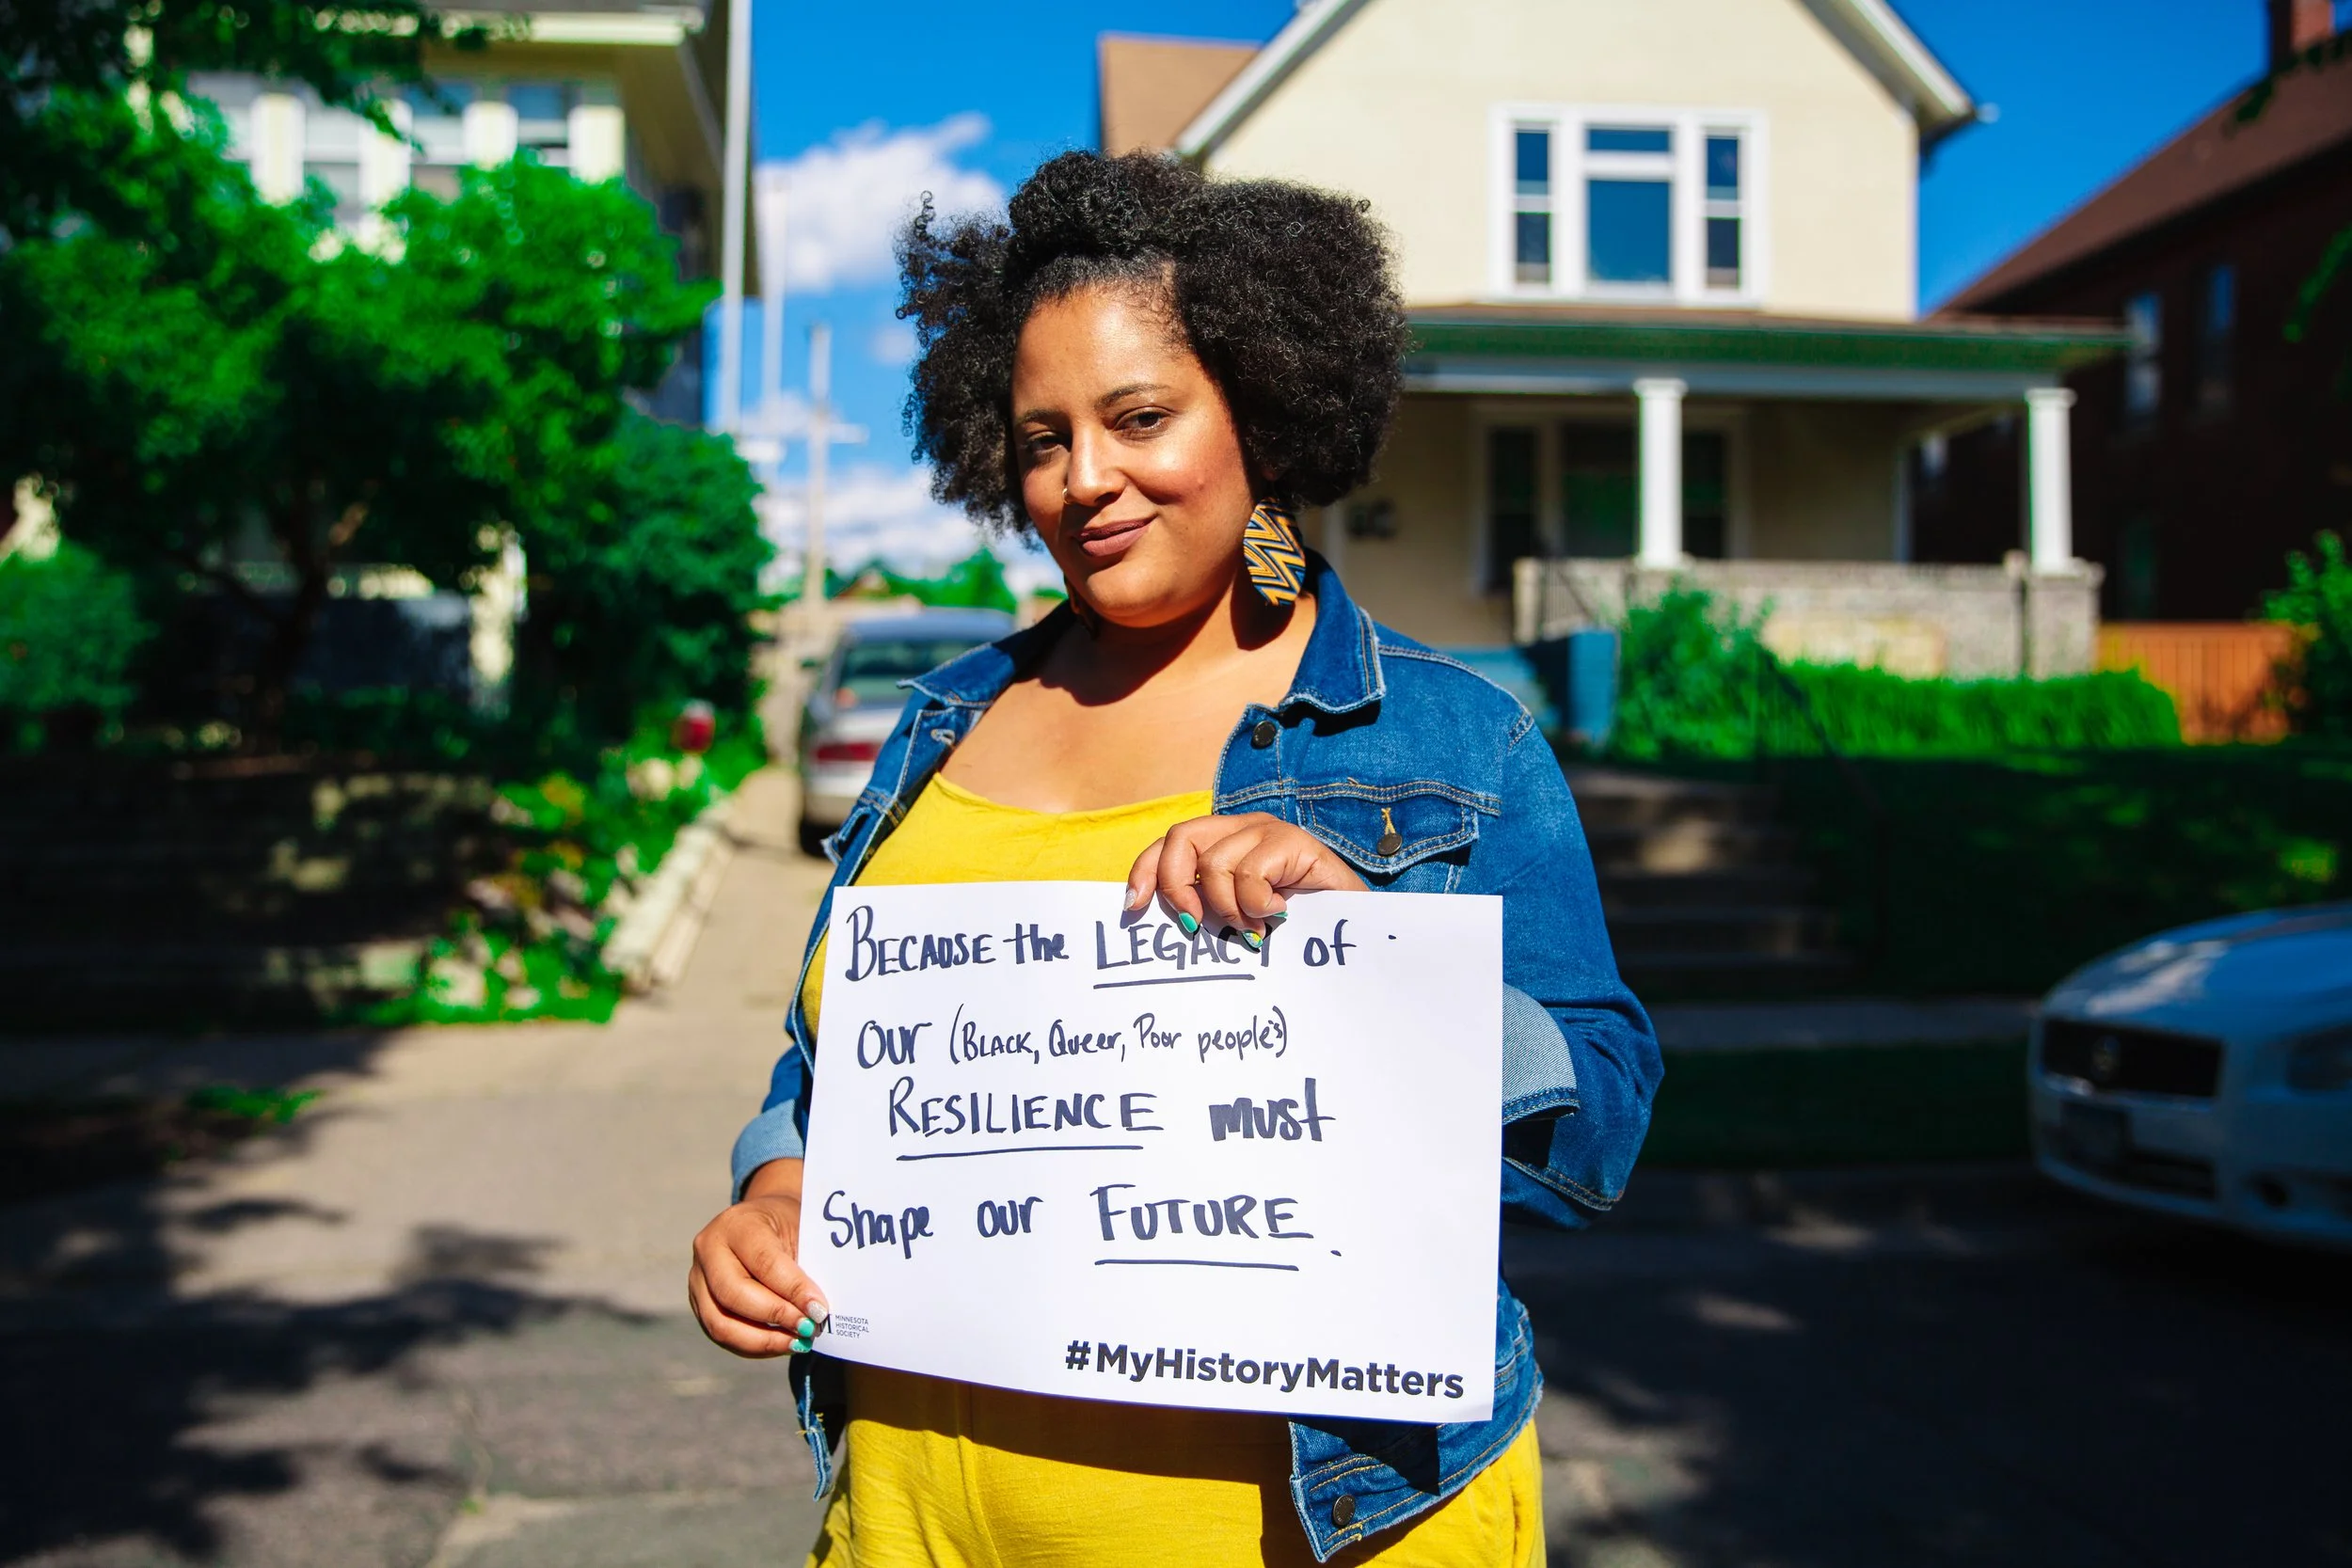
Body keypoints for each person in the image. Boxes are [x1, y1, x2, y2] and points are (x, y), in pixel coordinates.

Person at [689, 150, 1660, 1566]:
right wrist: (776, 1189)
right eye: (1039, 438)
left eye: (1140, 416)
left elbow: (1604, 1123)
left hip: (1323, 1529)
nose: (1086, 480)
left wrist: (1374, 960)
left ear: (1258, 409)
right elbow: (834, 1065)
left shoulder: (1453, 737)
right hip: (916, 1525)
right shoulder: (938, 722)